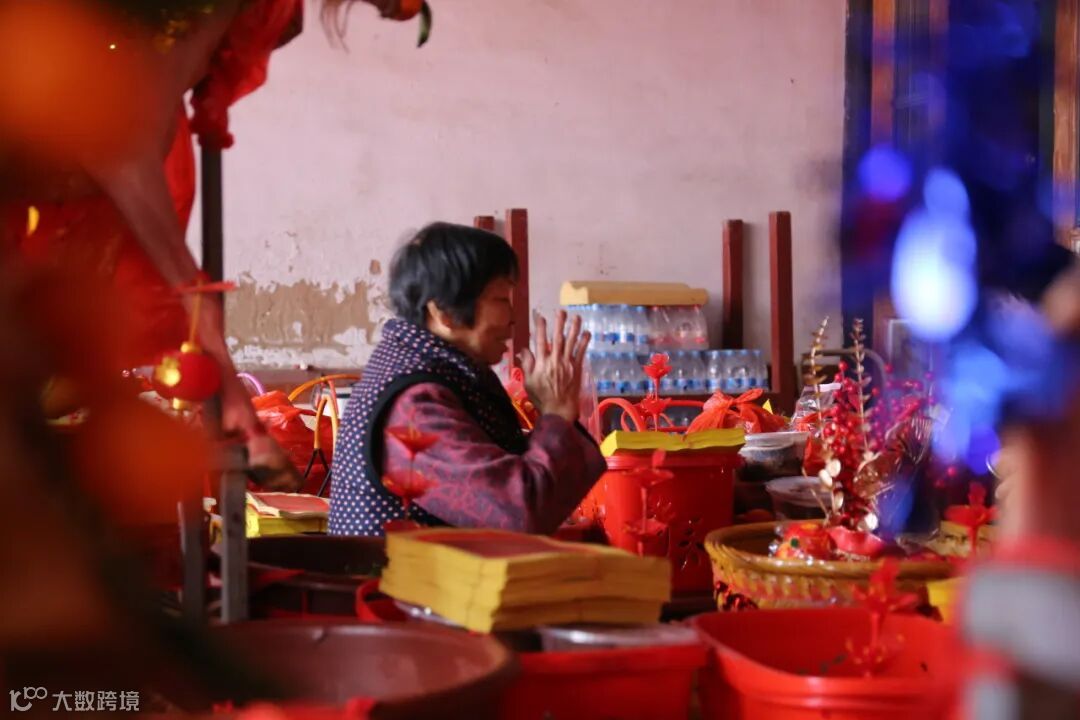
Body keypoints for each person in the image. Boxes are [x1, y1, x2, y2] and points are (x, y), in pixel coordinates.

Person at [328, 222, 606, 537]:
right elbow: (516, 511)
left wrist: (554, 414)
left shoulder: (436, 370)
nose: (513, 318)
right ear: (444, 312)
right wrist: (555, 414)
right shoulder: (413, 407)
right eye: (501, 299)